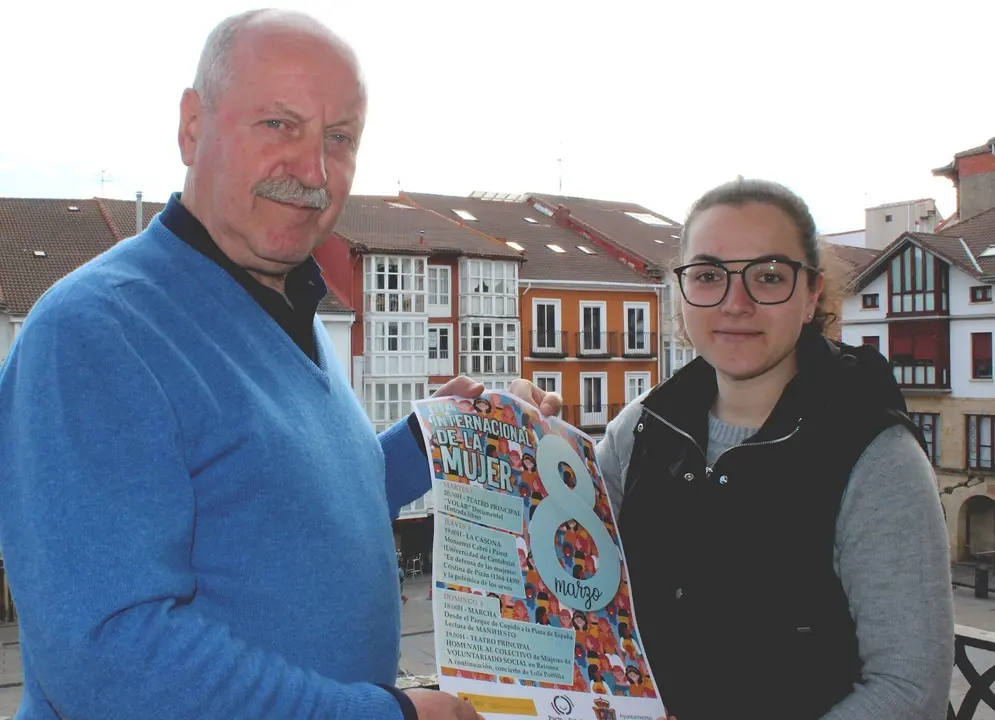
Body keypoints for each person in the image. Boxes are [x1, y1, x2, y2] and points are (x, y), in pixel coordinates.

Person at [0, 9, 559, 720]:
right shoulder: (98, 331)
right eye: (279, 125)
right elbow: (110, 659)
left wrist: (436, 437)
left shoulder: (283, 304)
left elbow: (282, 508)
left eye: (339, 138)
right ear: (192, 126)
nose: (314, 170)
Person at [596, 179, 954, 720]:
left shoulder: (875, 456)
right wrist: (506, 423)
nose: (735, 304)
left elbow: (908, 690)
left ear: (812, 295)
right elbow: (554, 554)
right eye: (710, 275)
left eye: (768, 277)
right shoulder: (641, 431)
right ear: (682, 291)